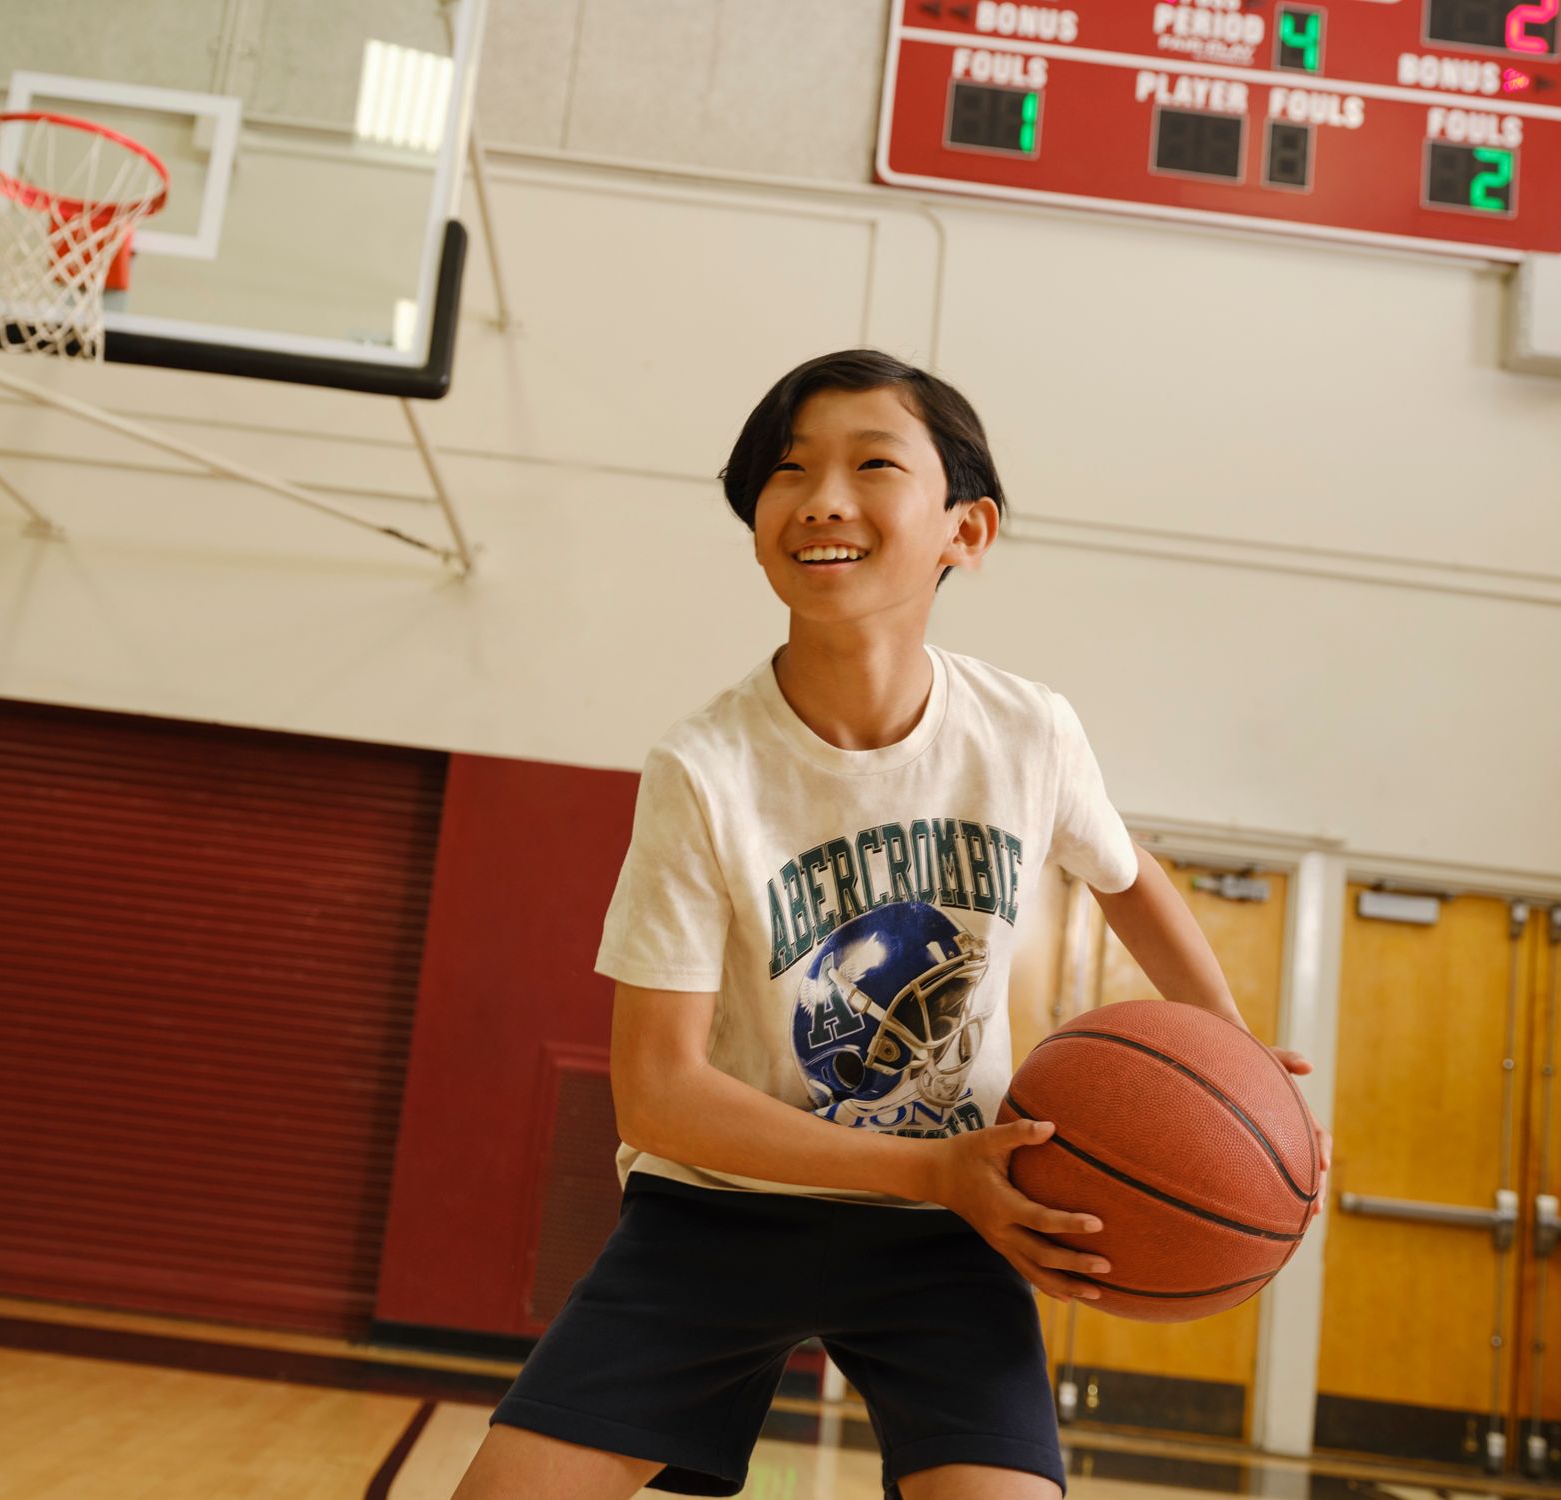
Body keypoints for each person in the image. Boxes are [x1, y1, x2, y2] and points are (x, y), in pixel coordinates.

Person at [451, 348, 1332, 1500]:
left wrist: (1231, 1047)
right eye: (786, 470)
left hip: (948, 1236)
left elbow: (1124, 876)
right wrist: (936, 1176)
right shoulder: (703, 768)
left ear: (965, 531)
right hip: (720, 1214)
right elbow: (658, 1093)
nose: (820, 495)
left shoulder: (1025, 731)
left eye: (871, 463)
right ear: (758, 523)